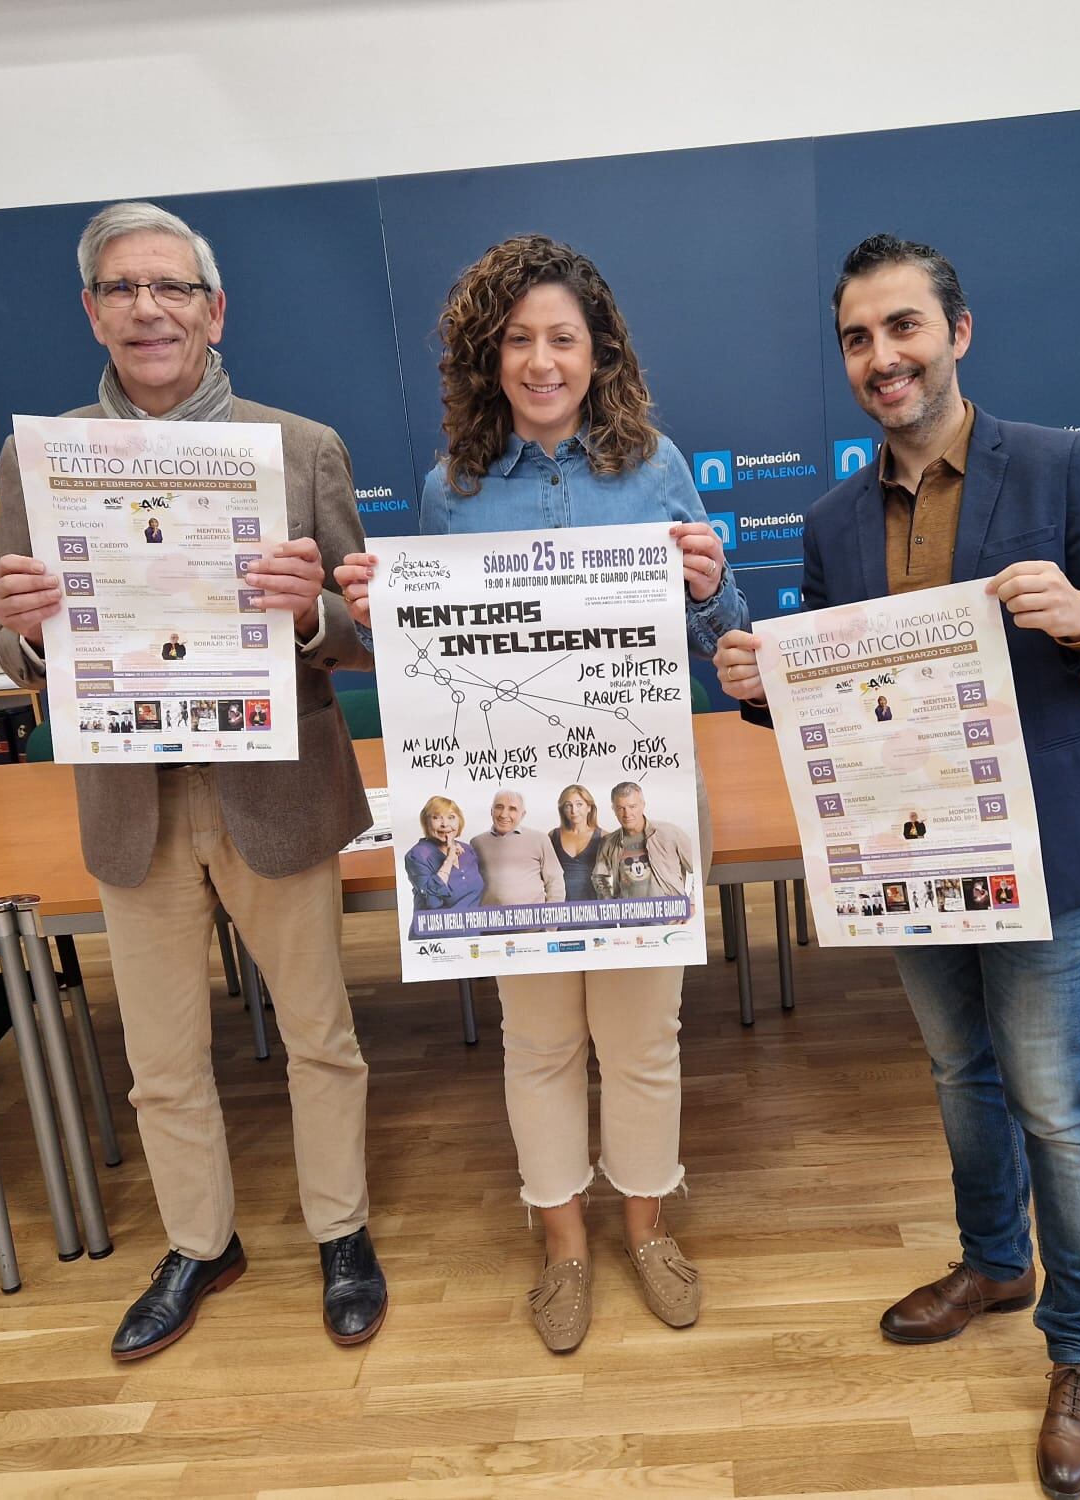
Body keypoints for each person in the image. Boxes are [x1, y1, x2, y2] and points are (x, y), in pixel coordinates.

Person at [714, 234, 1080, 1498]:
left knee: (1049, 1097)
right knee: (959, 1072)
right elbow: (820, 703)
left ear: (956, 332)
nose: (882, 358)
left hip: (1039, 843)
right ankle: (993, 1259)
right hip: (904, 853)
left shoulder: (1055, 461)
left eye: (903, 328)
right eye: (858, 339)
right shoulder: (828, 521)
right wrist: (757, 684)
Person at [0, 201, 386, 1361]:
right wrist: (22, 633)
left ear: (215, 310)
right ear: (92, 312)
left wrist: (307, 611)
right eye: (123, 289)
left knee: (320, 1034)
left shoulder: (299, 447)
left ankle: (341, 1230)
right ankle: (200, 1242)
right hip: (134, 799)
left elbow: (358, 633)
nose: (147, 308)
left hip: (274, 789)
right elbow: (21, 645)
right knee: (159, 1058)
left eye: (170, 288)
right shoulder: (39, 457)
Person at [337, 235, 747, 1353]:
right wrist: (385, 616)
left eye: (560, 337)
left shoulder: (655, 464)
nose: (540, 360)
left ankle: (647, 1225)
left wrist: (711, 592)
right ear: (487, 356)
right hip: (509, 817)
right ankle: (561, 1242)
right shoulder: (449, 489)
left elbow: (721, 636)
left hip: (631, 798)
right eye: (516, 339)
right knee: (538, 1041)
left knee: (643, 1035)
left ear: (596, 347)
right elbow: (431, 662)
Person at [591, 781, 696, 899]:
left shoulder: (671, 834)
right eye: (621, 808)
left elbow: (698, 867)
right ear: (613, 809)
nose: (627, 814)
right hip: (629, 914)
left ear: (643, 805)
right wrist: (609, 904)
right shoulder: (608, 842)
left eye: (632, 806)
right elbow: (599, 877)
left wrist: (692, 901)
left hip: (670, 913)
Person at [472, 789, 564, 909]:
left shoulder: (540, 839)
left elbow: (555, 883)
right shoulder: (476, 842)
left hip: (532, 925)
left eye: (512, 809)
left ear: (523, 814)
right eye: (499, 807)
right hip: (490, 924)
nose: (504, 814)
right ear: (491, 811)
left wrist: (550, 925)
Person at [404, 795, 485, 911]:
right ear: (426, 822)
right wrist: (449, 860)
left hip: (472, 927)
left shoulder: (468, 850)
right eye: (436, 817)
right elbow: (432, 902)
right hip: (438, 928)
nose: (445, 824)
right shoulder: (417, 856)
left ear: (459, 820)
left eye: (451, 817)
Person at [551, 784, 604, 901]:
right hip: (561, 903)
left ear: (589, 807)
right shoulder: (553, 836)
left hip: (594, 903)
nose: (574, 810)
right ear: (562, 809)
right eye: (568, 805)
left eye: (579, 804)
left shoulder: (604, 836)